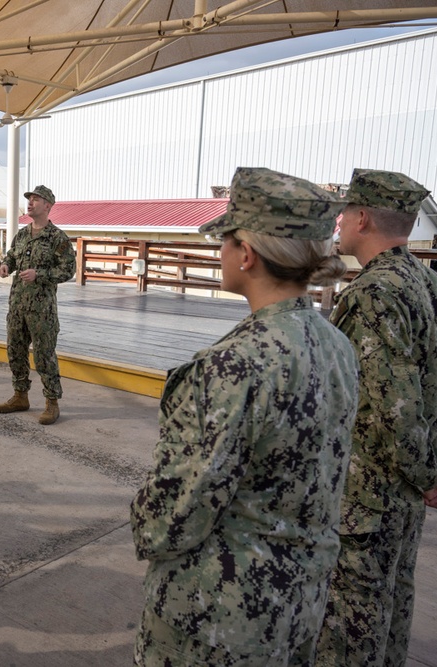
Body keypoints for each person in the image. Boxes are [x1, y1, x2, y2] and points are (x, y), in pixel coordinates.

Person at [130, 166, 359, 666]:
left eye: (226, 240)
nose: (222, 252)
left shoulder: (234, 363)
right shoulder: (336, 344)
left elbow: (176, 514)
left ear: (247, 253)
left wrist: (144, 523)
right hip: (298, 604)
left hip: (216, 618)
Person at [316, 169, 437, 667]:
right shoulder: (429, 283)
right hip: (404, 488)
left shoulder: (376, 292)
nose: (339, 222)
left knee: (351, 621)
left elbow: (391, 406)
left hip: (368, 492)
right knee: (392, 603)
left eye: (345, 213)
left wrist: (426, 475)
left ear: (362, 217)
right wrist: (434, 468)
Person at [0, 185, 75, 425]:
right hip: (18, 306)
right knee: (15, 352)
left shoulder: (57, 238)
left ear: (48, 206)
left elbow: (68, 269)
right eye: (29, 199)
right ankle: (20, 396)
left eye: (36, 200)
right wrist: (6, 265)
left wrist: (39, 274)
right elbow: (11, 256)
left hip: (42, 311)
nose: (30, 203)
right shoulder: (21, 234)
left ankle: (52, 403)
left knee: (44, 356)